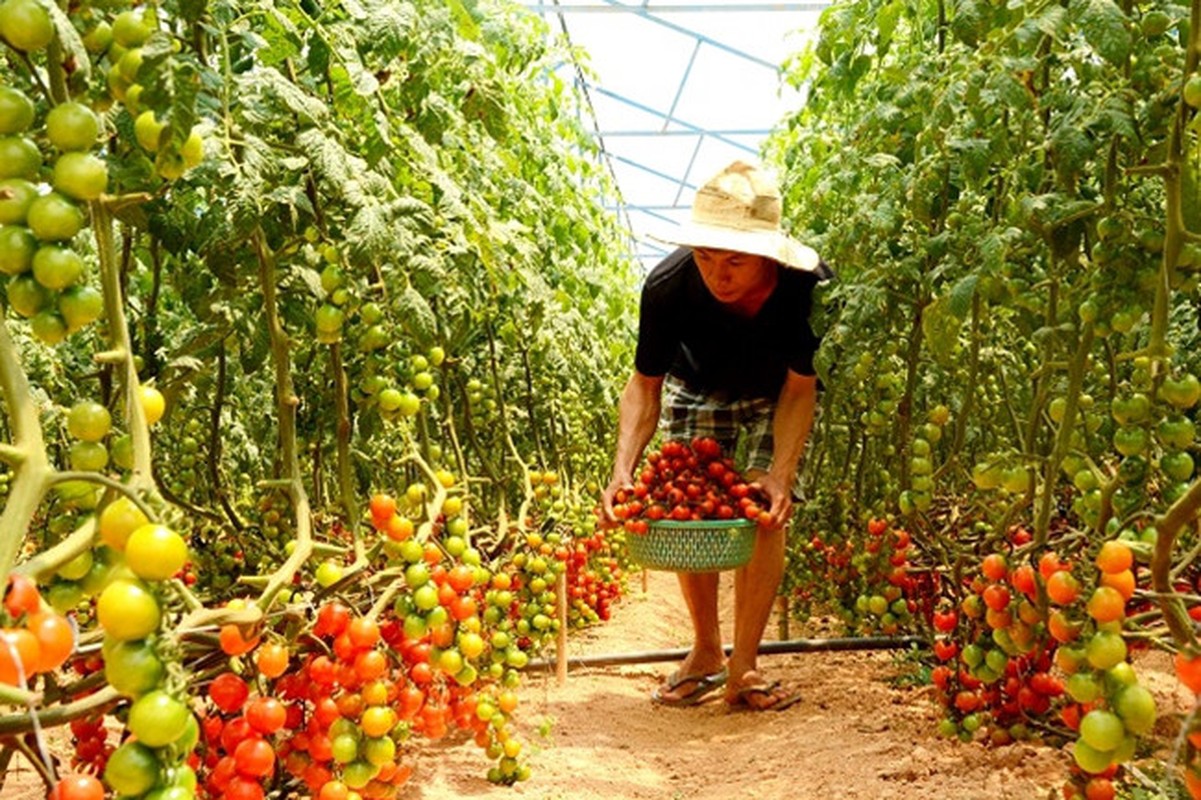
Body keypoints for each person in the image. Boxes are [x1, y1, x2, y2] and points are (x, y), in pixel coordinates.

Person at [601, 159, 830, 711]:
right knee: (694, 512)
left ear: (769, 256)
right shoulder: (667, 287)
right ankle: (706, 650)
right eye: (705, 256)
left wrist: (780, 473)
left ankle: (744, 667)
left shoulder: (808, 290)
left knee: (764, 507)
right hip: (696, 387)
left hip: (776, 394)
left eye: (735, 260)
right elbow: (644, 386)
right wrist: (622, 468)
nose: (717, 275)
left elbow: (801, 389)